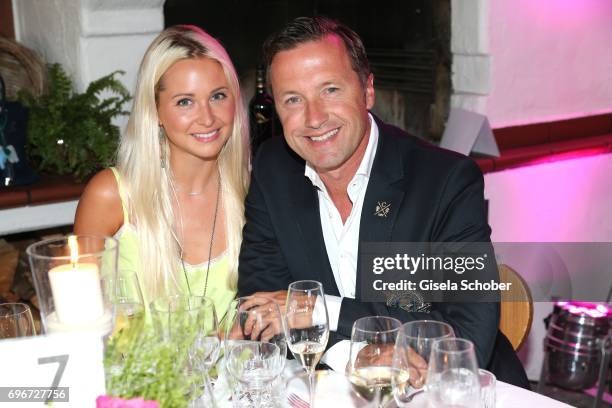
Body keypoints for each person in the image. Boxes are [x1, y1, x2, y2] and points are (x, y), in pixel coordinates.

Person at [237, 16, 529, 388]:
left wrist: (319, 309)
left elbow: (468, 333)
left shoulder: (446, 181)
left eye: (330, 90)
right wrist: (357, 356)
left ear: (368, 91)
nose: (314, 118)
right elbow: (259, 308)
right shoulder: (273, 168)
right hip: (333, 385)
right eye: (293, 99)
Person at [74, 25, 249, 315]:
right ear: (154, 112)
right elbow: (79, 319)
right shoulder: (111, 196)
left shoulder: (254, 192)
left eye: (218, 96)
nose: (207, 118)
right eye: (185, 102)